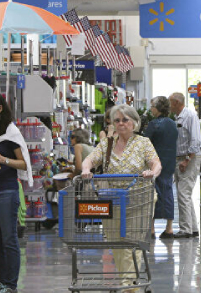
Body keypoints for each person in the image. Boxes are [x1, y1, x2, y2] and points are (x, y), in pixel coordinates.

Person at [81, 104, 162, 291]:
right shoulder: (107, 143)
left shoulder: (143, 143)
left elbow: (156, 162)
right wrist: (86, 169)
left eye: (125, 120)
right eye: (116, 120)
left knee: (130, 244)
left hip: (139, 200)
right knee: (116, 244)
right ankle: (128, 282)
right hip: (113, 200)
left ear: (134, 122)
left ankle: (128, 286)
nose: (121, 124)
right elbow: (91, 159)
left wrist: (152, 171)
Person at [0, 92, 33, 293]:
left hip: (6, 190)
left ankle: (10, 284)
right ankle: (0, 282)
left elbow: (24, 163)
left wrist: (5, 160)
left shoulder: (11, 133)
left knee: (9, 238)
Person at [143, 96, 178, 239]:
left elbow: (145, 142)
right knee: (168, 192)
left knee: (152, 194)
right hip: (169, 162)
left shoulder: (153, 124)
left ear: (157, 108)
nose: (151, 109)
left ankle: (151, 229)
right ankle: (169, 228)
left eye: (152, 106)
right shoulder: (172, 123)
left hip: (155, 163)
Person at [168, 92, 201, 239]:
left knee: (183, 194)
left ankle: (185, 230)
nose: (168, 106)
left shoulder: (190, 116)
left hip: (189, 159)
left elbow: (196, 140)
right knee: (185, 195)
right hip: (179, 158)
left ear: (176, 102)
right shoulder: (176, 117)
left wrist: (187, 159)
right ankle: (193, 228)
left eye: (170, 102)